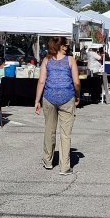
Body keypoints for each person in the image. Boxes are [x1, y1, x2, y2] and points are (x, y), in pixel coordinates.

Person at [34, 36, 80, 175]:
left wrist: (37, 100)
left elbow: (41, 82)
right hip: (67, 98)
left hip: (49, 97)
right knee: (65, 134)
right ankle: (64, 167)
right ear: (58, 45)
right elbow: (77, 82)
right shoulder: (71, 60)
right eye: (64, 45)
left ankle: (48, 161)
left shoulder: (46, 60)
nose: (66, 47)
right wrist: (77, 95)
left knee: (49, 130)